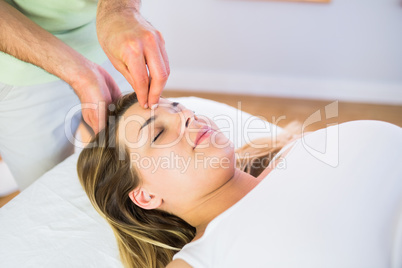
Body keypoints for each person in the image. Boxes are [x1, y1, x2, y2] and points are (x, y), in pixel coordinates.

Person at [77, 92, 402, 268]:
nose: (185, 116)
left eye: (177, 107)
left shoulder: (291, 152)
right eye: (159, 132)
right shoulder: (203, 259)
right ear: (145, 197)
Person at [0, 0, 169, 191]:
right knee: (44, 186)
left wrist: (120, 8)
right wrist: (79, 74)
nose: (188, 115)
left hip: (108, 41)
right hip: (17, 66)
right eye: (159, 134)